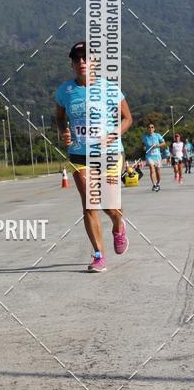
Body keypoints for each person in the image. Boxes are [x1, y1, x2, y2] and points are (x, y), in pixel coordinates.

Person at [55, 41, 133, 273]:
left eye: (86, 58)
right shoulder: (65, 91)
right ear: (72, 64)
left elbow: (127, 118)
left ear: (95, 62)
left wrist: (115, 133)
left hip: (109, 154)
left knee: (109, 205)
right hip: (80, 155)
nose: (82, 62)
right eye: (77, 58)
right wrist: (64, 132)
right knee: (90, 205)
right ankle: (99, 254)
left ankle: (118, 225)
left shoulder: (110, 89)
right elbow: (60, 119)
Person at [141, 122, 166, 191]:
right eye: (149, 127)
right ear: (147, 129)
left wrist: (157, 145)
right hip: (149, 156)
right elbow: (143, 144)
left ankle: (158, 183)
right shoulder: (145, 137)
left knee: (158, 170)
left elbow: (164, 143)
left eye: (152, 127)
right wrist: (144, 148)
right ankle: (154, 184)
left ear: (154, 129)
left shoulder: (158, 135)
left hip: (157, 156)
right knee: (152, 169)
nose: (150, 128)